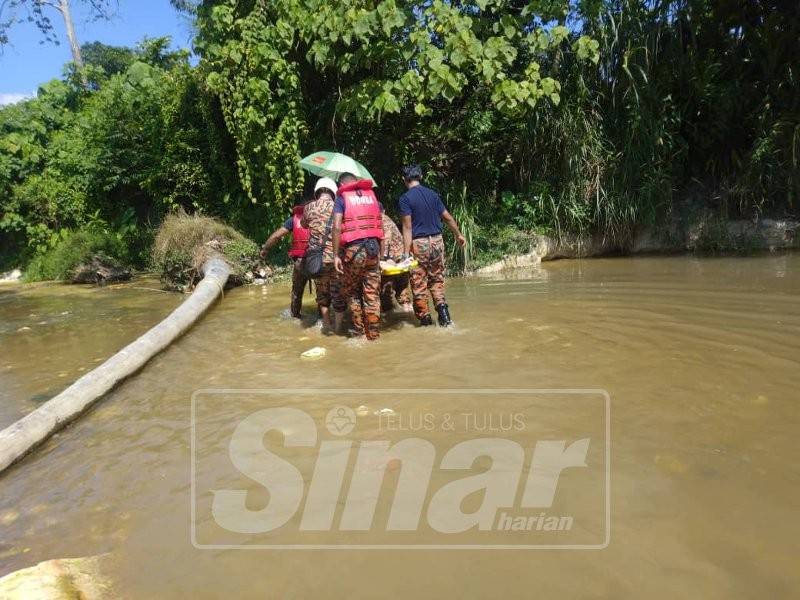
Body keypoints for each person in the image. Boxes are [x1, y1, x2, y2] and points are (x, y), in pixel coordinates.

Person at [398, 164, 465, 327]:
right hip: (437, 241)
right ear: (420, 177)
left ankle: (426, 322)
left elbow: (407, 228)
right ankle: (445, 317)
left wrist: (406, 255)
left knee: (419, 283)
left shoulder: (405, 199)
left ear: (404, 179)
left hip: (419, 244)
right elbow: (447, 217)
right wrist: (458, 235)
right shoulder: (433, 195)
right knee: (436, 280)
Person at [332, 172, 384, 340]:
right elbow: (380, 225)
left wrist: (335, 255)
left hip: (354, 251)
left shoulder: (342, 198)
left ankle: (360, 333)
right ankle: (374, 335)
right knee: (372, 294)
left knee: (352, 291)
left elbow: (337, 227)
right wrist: (381, 255)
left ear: (341, 185)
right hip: (373, 250)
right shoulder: (371, 196)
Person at [301, 177, 340, 331]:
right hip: (335, 257)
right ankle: (338, 327)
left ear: (317, 192)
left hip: (316, 258)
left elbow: (303, 224)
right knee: (338, 292)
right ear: (333, 192)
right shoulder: (339, 206)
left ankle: (326, 323)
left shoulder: (309, 207)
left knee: (322, 294)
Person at [260, 200, 310, 319]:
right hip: (318, 260)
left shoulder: (293, 219)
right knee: (323, 293)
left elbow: (277, 235)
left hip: (300, 262)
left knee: (297, 292)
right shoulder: (321, 217)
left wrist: (265, 249)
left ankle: (295, 316)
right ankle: (324, 320)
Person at [379, 213, 412, 313]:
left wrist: (383, 259)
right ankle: (408, 317)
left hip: (395, 261)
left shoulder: (382, 220)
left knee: (387, 294)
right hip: (401, 260)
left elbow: (386, 240)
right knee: (402, 293)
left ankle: (391, 319)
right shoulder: (385, 218)